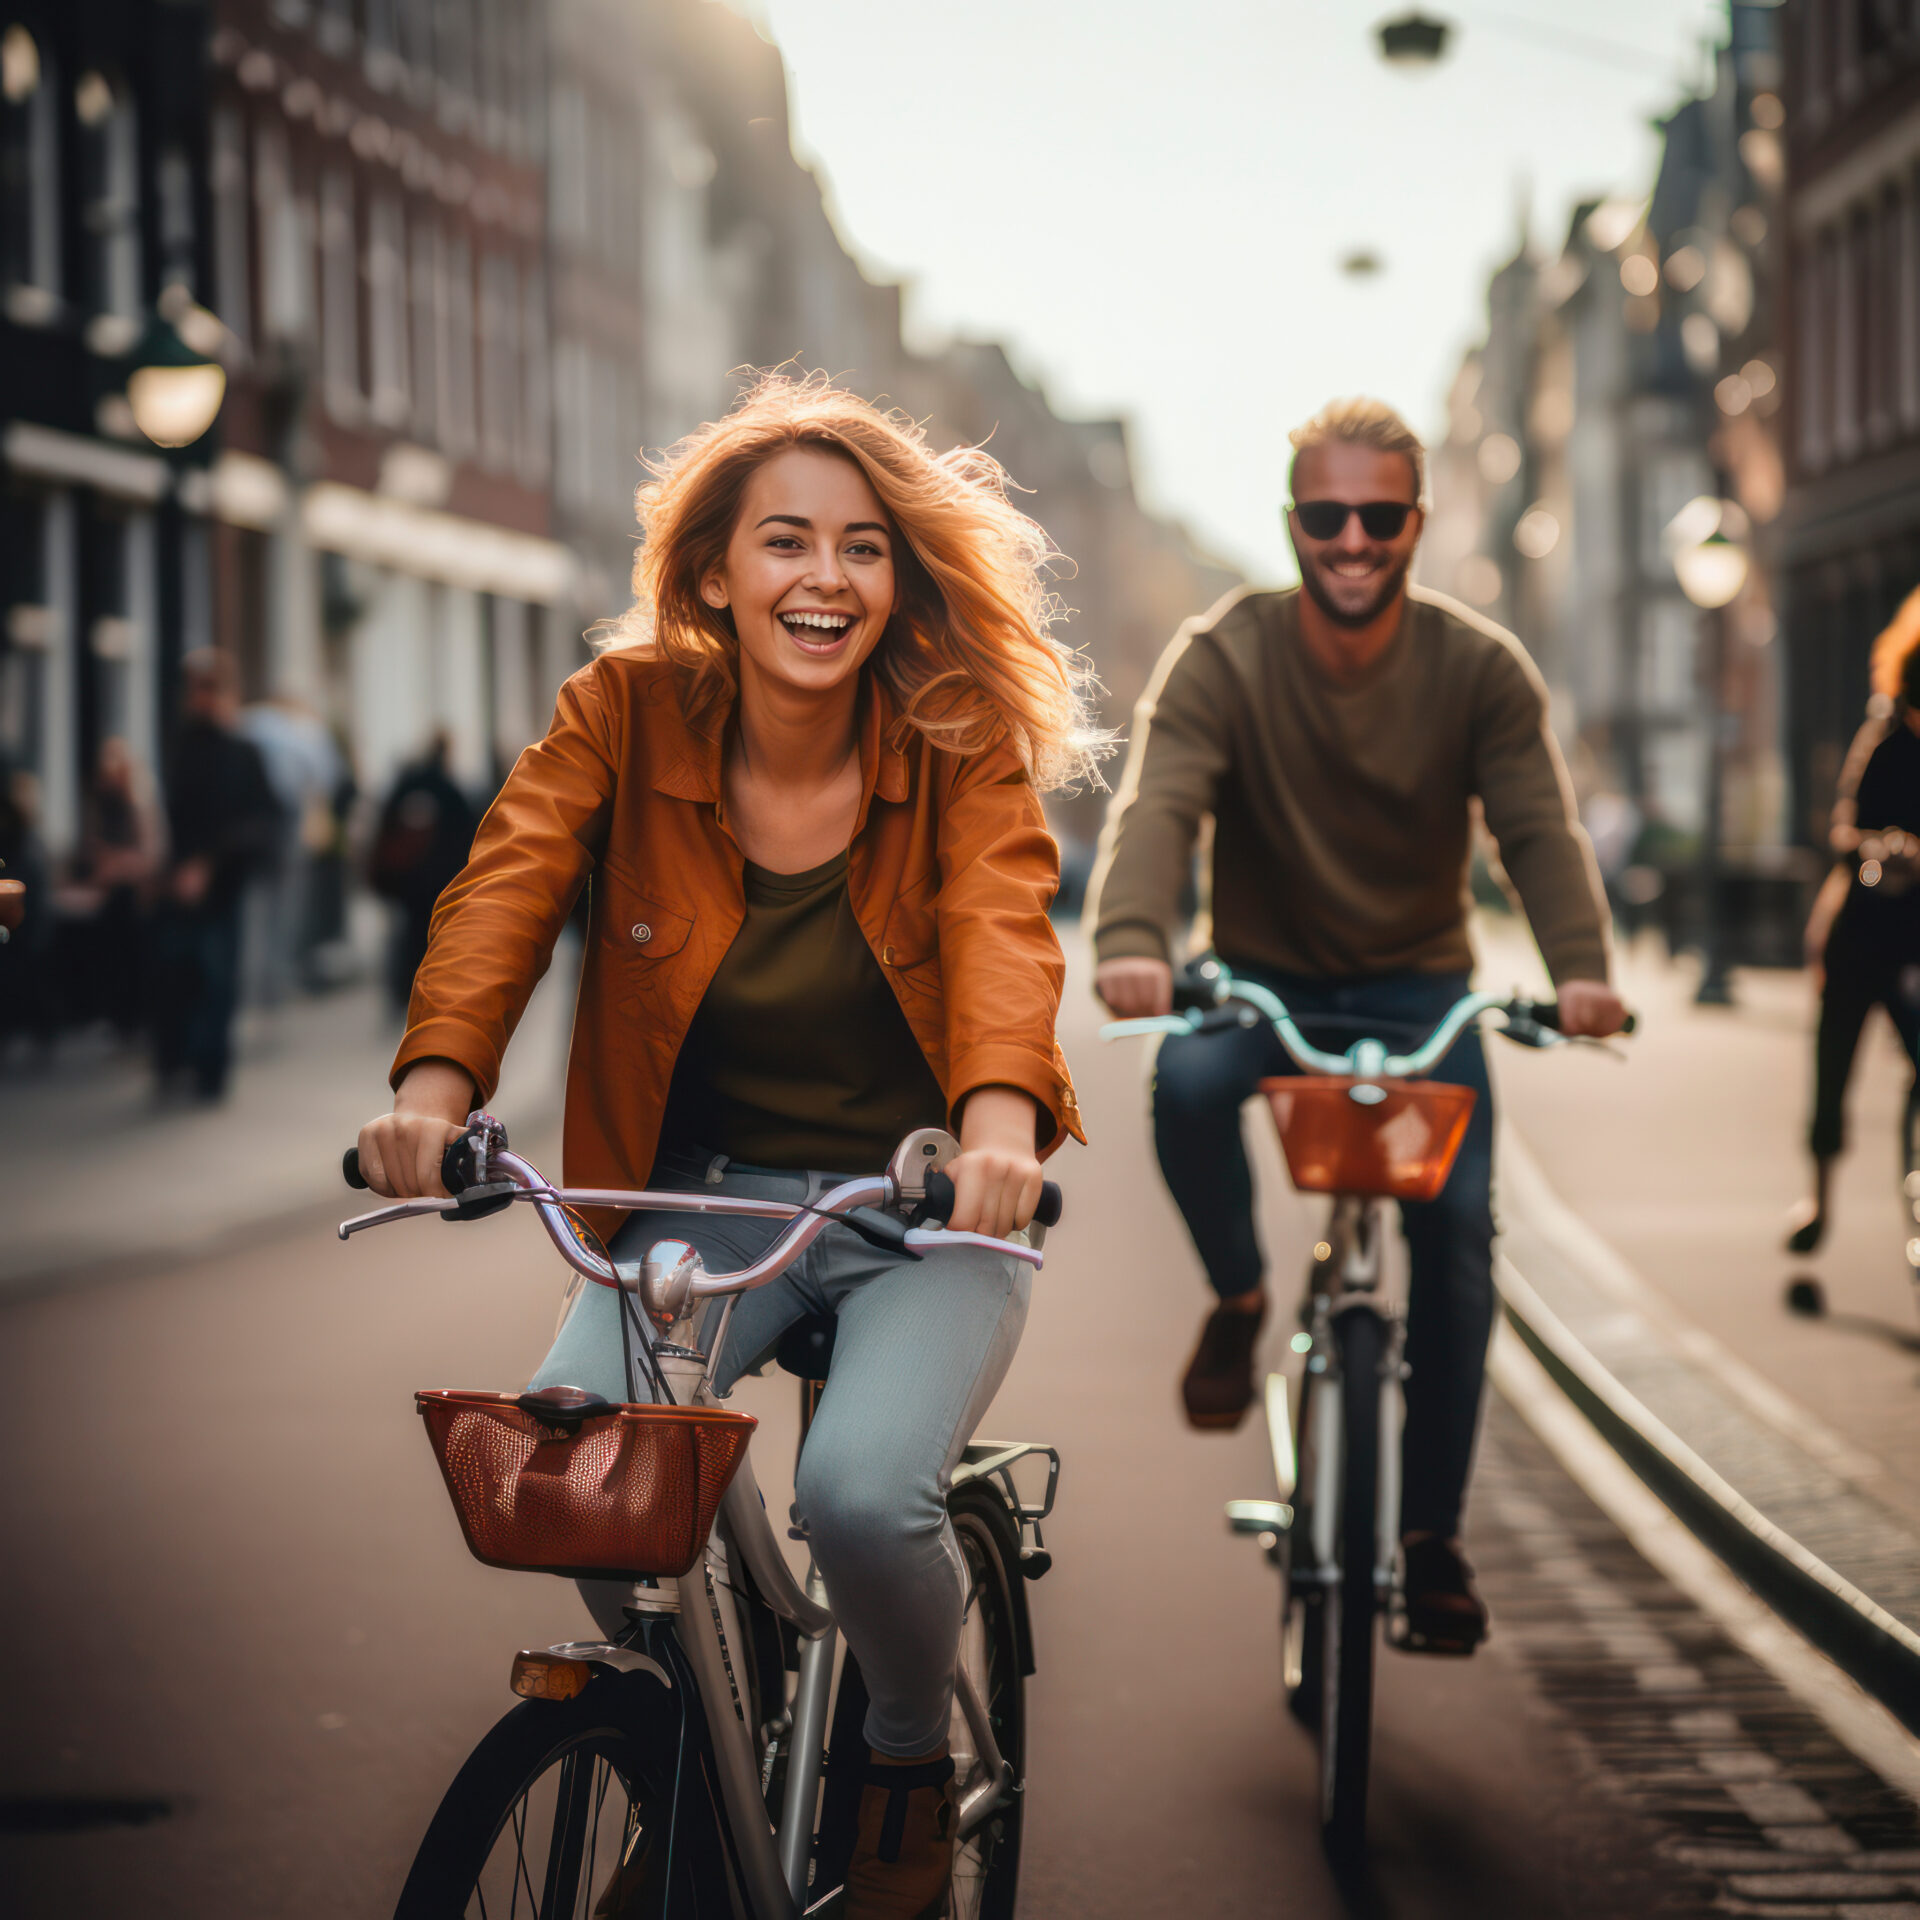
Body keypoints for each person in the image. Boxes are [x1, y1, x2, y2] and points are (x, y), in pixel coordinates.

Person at [352, 373, 1092, 1916]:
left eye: (865, 548)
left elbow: (1003, 928)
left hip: (926, 1206)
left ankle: (894, 1752)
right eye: (785, 542)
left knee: (862, 1493)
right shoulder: (620, 711)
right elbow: (507, 887)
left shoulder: (953, 735)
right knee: (575, 1472)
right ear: (712, 574)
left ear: (901, 580)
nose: (826, 579)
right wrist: (432, 1092)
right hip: (694, 1198)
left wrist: (1003, 1130)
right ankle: (700, 1735)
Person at [1087, 397, 1625, 1652]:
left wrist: (1582, 971)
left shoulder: (1480, 668)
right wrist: (1129, 945)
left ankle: (1431, 1536)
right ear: (1292, 523)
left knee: (1458, 1237)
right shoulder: (1226, 653)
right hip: (1261, 980)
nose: (1351, 540)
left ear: (1416, 524)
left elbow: (1536, 827)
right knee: (1190, 1088)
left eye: (1379, 517)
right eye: (1325, 516)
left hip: (1419, 993)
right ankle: (1237, 1295)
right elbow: (1159, 802)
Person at [1787, 589, 1920, 1255]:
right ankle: (1819, 1199)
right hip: (1862, 934)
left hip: (1915, 942)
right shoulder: (1885, 739)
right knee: (1832, 1067)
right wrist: (1878, 849)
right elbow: (1842, 830)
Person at [153, 652, 282, 1101]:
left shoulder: (242, 754)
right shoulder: (181, 748)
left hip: (223, 887)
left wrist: (209, 863)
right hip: (178, 888)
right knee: (175, 975)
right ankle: (175, 1062)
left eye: (209, 689)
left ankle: (209, 1071)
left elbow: (262, 821)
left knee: (215, 978)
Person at [368, 730, 478, 1019]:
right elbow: (468, 835)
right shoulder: (450, 789)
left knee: (405, 936)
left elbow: (384, 830)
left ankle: (403, 993)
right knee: (436, 937)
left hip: (405, 881)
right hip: (439, 881)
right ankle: (433, 995)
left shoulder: (406, 784)